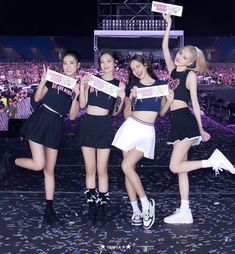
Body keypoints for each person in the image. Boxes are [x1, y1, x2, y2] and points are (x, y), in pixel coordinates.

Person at [160, 14, 235, 224]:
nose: (178, 57)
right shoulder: (172, 70)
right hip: (176, 121)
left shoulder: (190, 76)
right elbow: (165, 48)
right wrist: (167, 26)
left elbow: (194, 102)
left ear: (191, 62)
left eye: (184, 57)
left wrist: (201, 129)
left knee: (175, 167)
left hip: (185, 120)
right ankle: (185, 211)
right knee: (182, 169)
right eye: (180, 53)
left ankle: (212, 161)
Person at [0, 49, 81, 226]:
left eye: (71, 63)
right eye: (65, 63)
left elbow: (73, 116)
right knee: (39, 164)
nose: (67, 66)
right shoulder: (55, 78)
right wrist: (43, 81)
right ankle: (11, 159)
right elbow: (36, 99)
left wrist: (76, 95)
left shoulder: (79, 86)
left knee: (49, 171)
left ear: (78, 66)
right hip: (41, 118)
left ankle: (49, 210)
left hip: (56, 124)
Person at [112, 54, 172, 230]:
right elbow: (126, 114)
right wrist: (132, 99)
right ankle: (136, 209)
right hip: (130, 127)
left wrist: (168, 101)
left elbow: (161, 114)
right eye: (132, 69)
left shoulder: (161, 85)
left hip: (146, 130)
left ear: (145, 65)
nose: (136, 71)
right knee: (128, 170)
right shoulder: (134, 87)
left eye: (138, 66)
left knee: (126, 166)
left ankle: (146, 205)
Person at [79, 50, 126, 226]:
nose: (105, 64)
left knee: (102, 169)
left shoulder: (118, 84)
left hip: (105, 125)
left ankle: (103, 207)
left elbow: (115, 112)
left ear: (115, 63)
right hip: (88, 124)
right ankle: (92, 205)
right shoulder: (92, 79)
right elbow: (83, 104)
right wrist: (83, 86)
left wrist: (121, 97)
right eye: (102, 61)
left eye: (108, 61)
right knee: (90, 169)